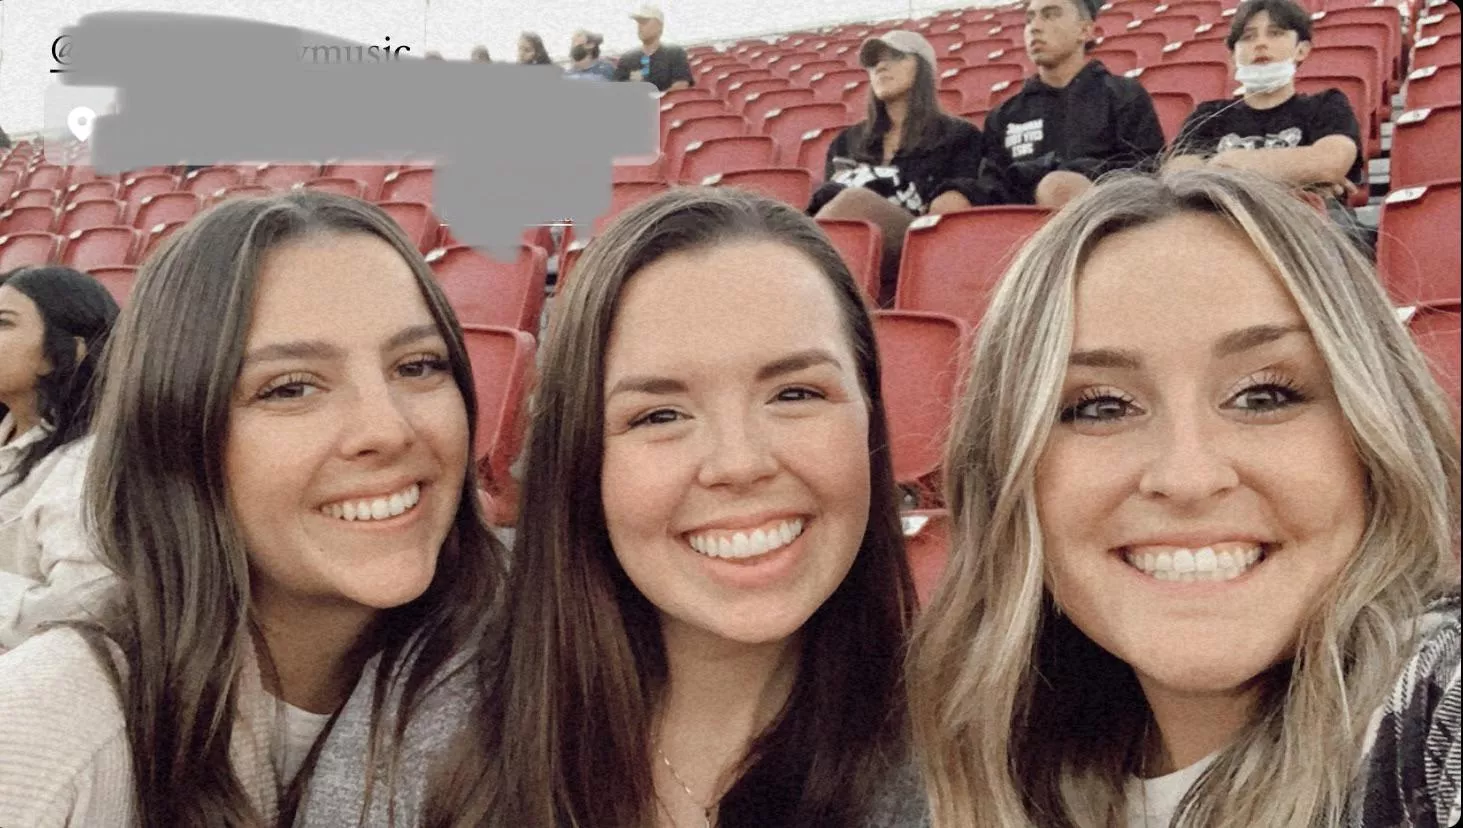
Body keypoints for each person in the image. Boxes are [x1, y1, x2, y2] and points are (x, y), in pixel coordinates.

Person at [297, 188, 924, 827]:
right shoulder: (425, 711)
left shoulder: (959, 756)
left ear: (870, 417)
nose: (739, 463)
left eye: (795, 394)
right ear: (580, 460)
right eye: (660, 415)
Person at [906, 168, 1461, 827]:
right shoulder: (990, 766)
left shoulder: (1437, 707)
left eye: (1264, 396)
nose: (1187, 476)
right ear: (1005, 471)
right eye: (1101, 407)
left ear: (1376, 437)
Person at [0, 192, 505, 825]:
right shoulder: (42, 743)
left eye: (419, 365)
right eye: (290, 387)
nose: (389, 429)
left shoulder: (556, 666)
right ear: (174, 434)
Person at [810, 30, 985, 306]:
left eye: (895, 56)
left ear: (922, 67)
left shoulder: (958, 136)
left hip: (919, 243)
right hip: (850, 251)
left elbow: (954, 217)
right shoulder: (846, 142)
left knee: (853, 201)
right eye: (873, 62)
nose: (880, 67)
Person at [0, 266, 117, 653]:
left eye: (3, 323)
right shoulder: (11, 433)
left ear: (67, 351)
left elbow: (80, 613)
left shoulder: (86, 465)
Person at [1167, 0, 1364, 205]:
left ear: (1302, 50)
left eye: (1275, 33)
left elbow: (1329, 164)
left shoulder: (1326, 104)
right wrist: (1301, 176)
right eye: (1248, 37)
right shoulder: (1208, 115)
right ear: (1233, 56)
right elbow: (1178, 176)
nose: (1260, 44)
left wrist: (1225, 164)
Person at [972, 0, 1165, 208]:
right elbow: (993, 189)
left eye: (1051, 15)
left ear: (1085, 31)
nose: (1035, 27)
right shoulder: (1004, 115)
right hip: (1026, 224)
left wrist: (1068, 175)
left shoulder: (1124, 95)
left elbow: (1145, 172)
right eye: (1029, 19)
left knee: (1059, 187)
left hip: (1109, 216)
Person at [613, 5, 694, 92]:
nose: (639, 26)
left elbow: (681, 84)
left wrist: (655, 97)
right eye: (638, 22)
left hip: (666, 100)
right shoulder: (627, 58)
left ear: (659, 26)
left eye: (644, 22)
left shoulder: (675, 53)